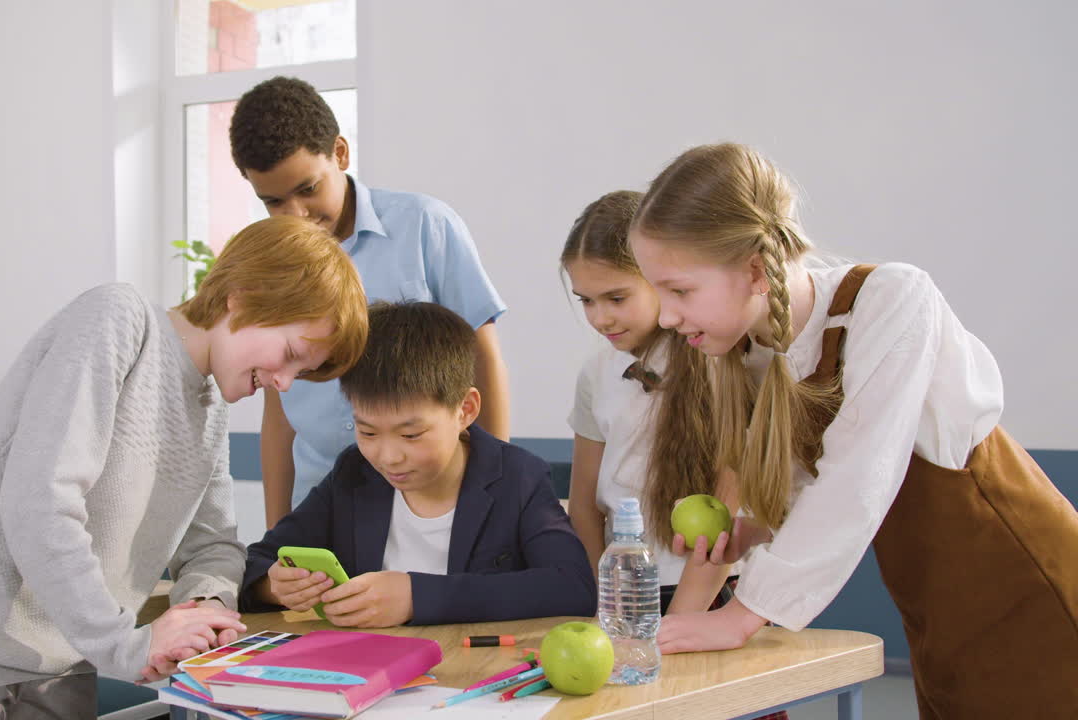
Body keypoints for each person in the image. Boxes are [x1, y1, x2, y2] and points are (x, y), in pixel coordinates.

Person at [0, 216, 368, 718]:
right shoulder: (120, 319)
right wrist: (124, 644)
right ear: (245, 295)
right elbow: (40, 502)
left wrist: (207, 607)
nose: (284, 383)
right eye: (291, 353)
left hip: (60, 662)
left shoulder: (208, 408)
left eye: (300, 373)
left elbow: (214, 544)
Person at [630, 142, 1078, 716]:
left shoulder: (892, 298)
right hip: (933, 607)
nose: (665, 317)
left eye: (680, 291)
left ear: (753, 271)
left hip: (1022, 582)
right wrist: (757, 533)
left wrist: (744, 615)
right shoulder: (755, 353)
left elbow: (859, 476)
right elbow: (806, 488)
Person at [228, 76, 510, 527]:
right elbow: (279, 411)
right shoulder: (271, 261)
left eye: (307, 189)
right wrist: (277, 532)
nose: (295, 215)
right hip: (321, 505)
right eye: (273, 202)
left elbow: (482, 354)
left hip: (431, 498)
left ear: (340, 153)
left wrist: (498, 494)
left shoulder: (425, 226)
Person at [237, 301, 596, 626]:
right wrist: (275, 586)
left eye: (411, 435)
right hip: (369, 674)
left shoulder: (517, 478)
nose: (388, 457)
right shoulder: (354, 473)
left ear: (465, 410)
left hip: (472, 678)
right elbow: (257, 561)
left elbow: (573, 586)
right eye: (368, 432)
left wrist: (417, 597)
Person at [562, 190, 740, 613]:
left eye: (617, 298)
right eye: (586, 300)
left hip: (715, 588)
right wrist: (599, 598)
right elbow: (584, 506)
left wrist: (683, 617)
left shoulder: (717, 362)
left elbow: (730, 505)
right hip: (626, 589)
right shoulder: (595, 374)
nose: (600, 318)